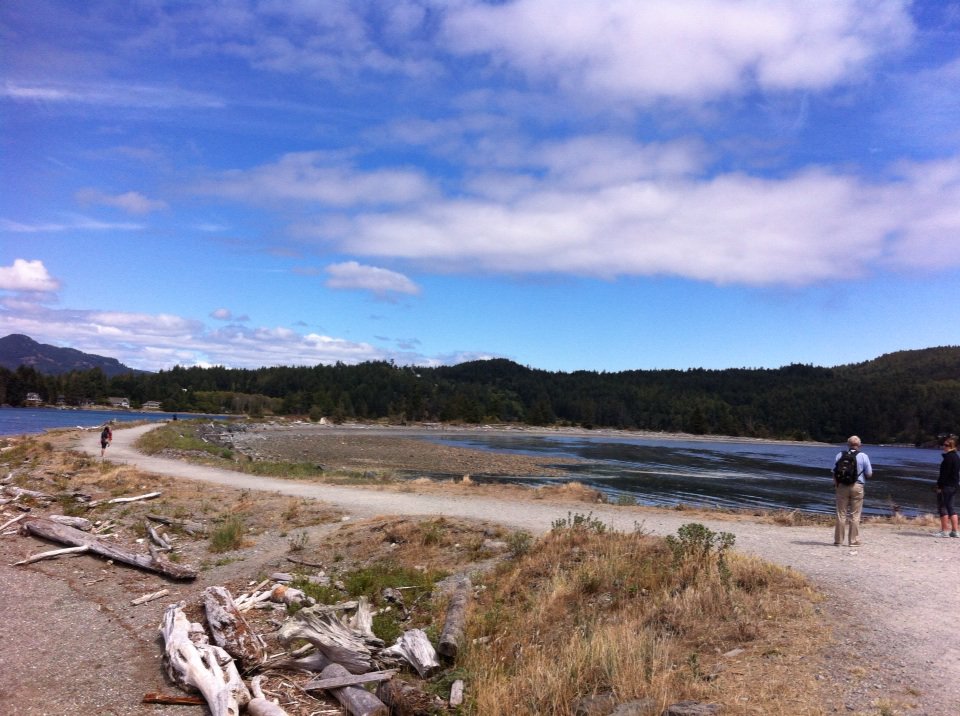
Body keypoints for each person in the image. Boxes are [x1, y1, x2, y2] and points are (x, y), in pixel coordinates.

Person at [833, 435, 872, 546]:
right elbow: (869, 473)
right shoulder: (863, 456)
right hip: (857, 486)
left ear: (848, 445)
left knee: (841, 514)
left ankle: (838, 540)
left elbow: (834, 473)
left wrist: (836, 485)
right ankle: (853, 541)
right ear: (859, 445)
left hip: (842, 486)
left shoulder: (840, 455)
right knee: (855, 514)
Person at [934, 437, 960, 538]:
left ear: (951, 446)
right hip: (954, 485)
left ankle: (944, 531)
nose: (943, 447)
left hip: (946, 486)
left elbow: (944, 474)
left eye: (946, 445)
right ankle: (955, 531)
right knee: (951, 507)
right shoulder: (956, 457)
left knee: (942, 507)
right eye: (943, 444)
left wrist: (939, 486)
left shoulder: (948, 458)